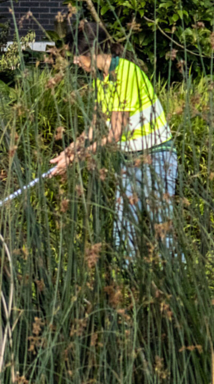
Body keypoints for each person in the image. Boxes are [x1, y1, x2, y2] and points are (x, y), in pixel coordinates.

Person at [50, 24, 177, 256]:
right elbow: (95, 126)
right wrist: (69, 151)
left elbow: (114, 134)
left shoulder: (126, 74)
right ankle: (127, 276)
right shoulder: (101, 79)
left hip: (158, 157)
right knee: (123, 230)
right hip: (130, 159)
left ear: (92, 52)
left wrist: (75, 159)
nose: (75, 62)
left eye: (77, 56)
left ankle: (176, 276)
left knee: (163, 232)